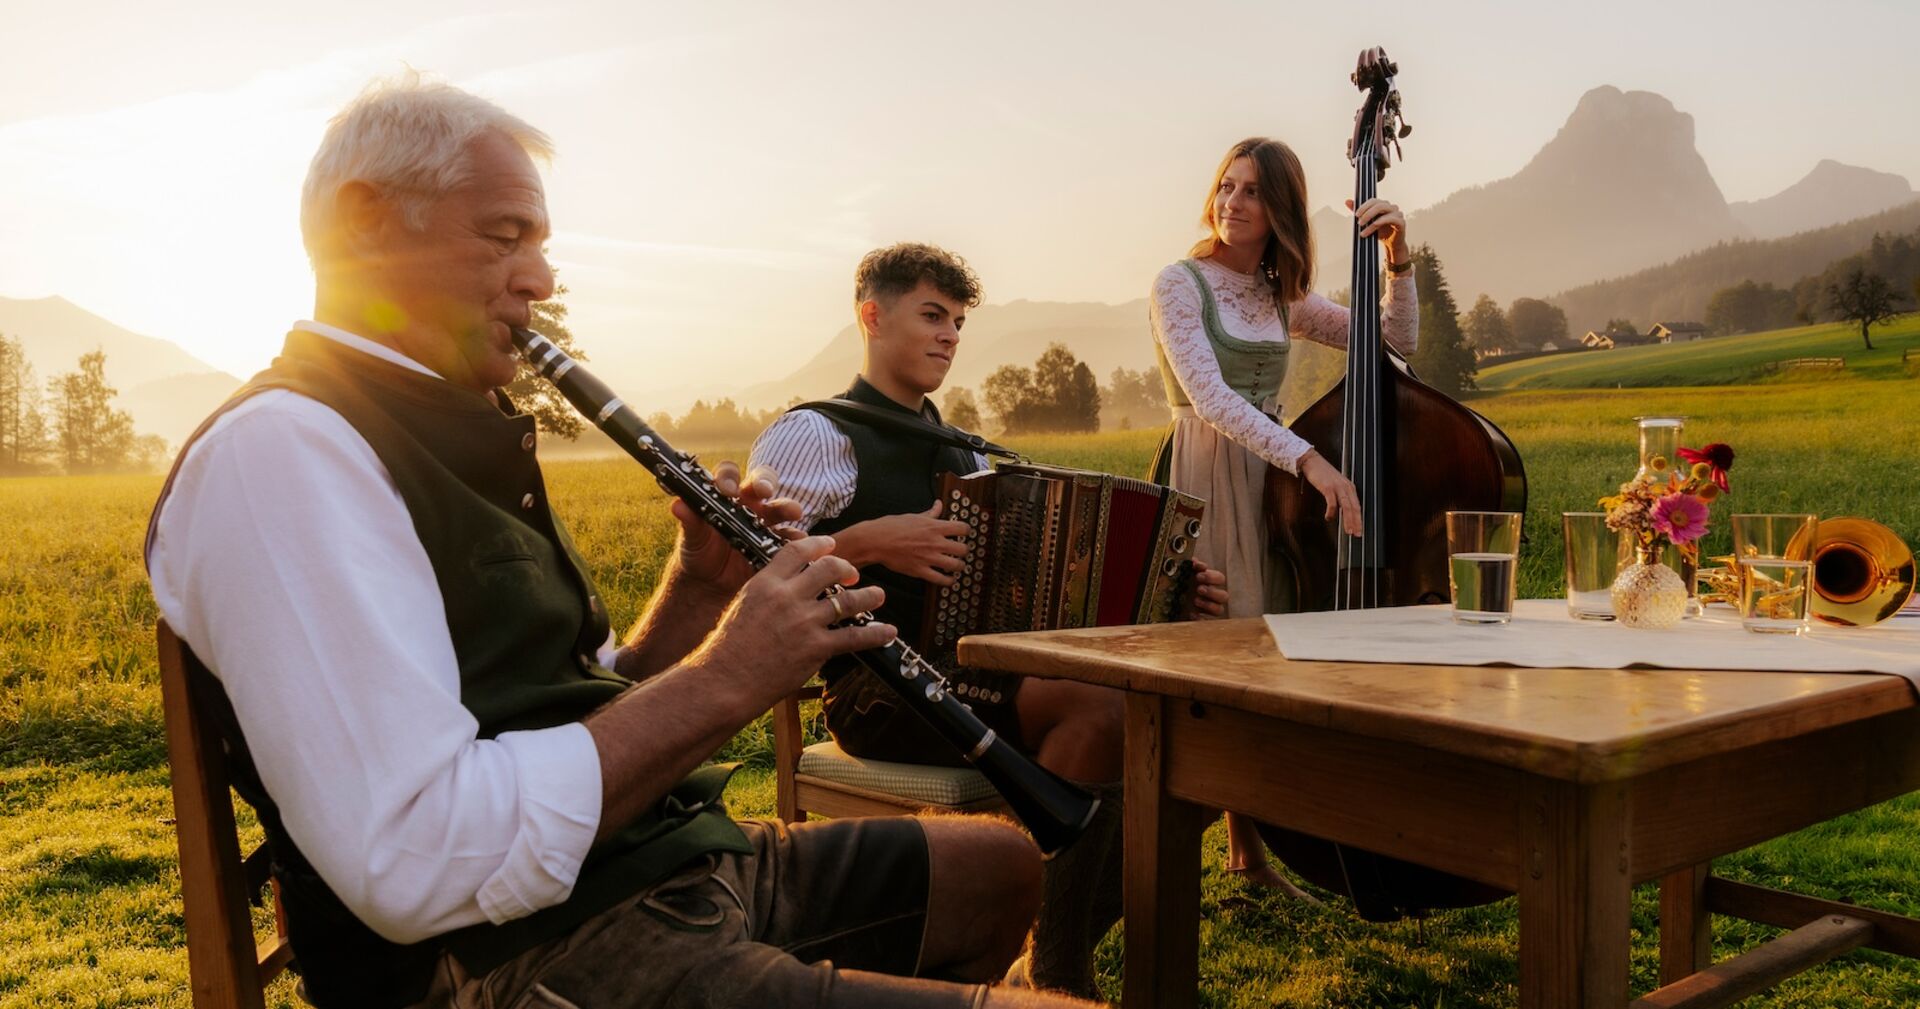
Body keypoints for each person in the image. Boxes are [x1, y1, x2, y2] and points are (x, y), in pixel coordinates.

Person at [145, 75, 1098, 1009]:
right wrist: (733, 672)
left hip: (649, 862)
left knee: (999, 866)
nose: (541, 278)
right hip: (521, 955)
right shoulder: (284, 452)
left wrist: (695, 597)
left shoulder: (443, 421)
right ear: (364, 221)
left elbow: (568, 709)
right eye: (505, 235)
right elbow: (416, 854)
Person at [748, 242, 1227, 998]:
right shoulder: (815, 434)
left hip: (982, 672)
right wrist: (873, 541)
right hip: (877, 684)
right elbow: (749, 562)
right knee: (1096, 708)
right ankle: (1059, 976)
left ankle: (1044, 944)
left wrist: (1170, 590)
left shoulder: (965, 449)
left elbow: (1058, 574)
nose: (949, 335)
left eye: (959, 322)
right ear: (872, 316)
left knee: (1196, 729)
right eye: (932, 314)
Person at [1147, 131, 1417, 893]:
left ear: (1282, 211)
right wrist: (1308, 456)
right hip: (1210, 465)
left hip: (1274, 475)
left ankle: (1250, 848)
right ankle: (1219, 845)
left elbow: (1394, 342)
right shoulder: (1179, 282)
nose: (1234, 202)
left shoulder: (1279, 294)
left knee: (1274, 633)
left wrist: (1398, 256)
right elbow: (1210, 399)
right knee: (1227, 638)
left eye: (1254, 191)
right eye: (1227, 185)